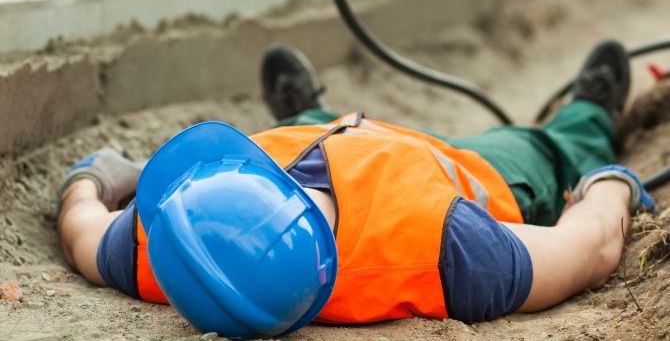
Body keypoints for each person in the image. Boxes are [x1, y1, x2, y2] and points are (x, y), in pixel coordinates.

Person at [57, 40, 656, 339]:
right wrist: (610, 185)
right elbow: (591, 248)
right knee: (546, 149)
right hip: (460, 170)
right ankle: (587, 115)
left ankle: (314, 112)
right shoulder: (451, 251)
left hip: (329, 135)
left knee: (316, 130)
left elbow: (84, 227)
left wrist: (93, 177)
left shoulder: (170, 248)